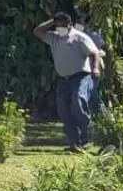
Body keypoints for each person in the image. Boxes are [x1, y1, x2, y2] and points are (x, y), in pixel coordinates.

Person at [34, 12, 103, 149]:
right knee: (63, 108)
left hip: (81, 76)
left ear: (70, 24)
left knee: (78, 103)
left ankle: (86, 137)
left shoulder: (79, 37)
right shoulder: (54, 37)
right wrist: (51, 21)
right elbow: (37, 31)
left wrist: (95, 69)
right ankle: (74, 141)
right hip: (64, 78)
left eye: (63, 25)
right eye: (57, 25)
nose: (60, 28)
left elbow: (94, 53)